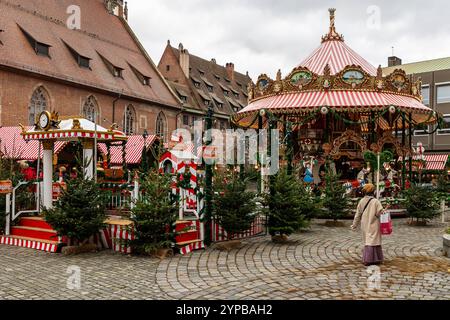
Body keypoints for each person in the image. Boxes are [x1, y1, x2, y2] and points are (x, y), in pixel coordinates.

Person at [351, 183, 386, 266]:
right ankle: (375, 258)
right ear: (373, 191)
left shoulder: (361, 201)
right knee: (374, 241)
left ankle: (368, 258)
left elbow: (358, 214)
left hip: (364, 224)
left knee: (368, 241)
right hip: (374, 224)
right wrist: (385, 210)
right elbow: (380, 213)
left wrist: (354, 225)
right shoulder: (376, 201)